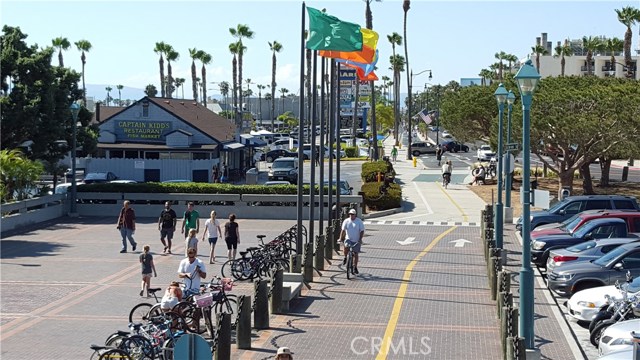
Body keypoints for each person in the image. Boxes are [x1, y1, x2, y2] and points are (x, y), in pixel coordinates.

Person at [339, 209, 365, 275]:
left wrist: (360, 239)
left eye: (352, 214)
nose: (351, 215)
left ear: (355, 215)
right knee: (346, 247)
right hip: (348, 239)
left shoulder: (359, 221)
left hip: (356, 240)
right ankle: (345, 257)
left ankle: (355, 267)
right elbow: (343, 230)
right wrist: (340, 238)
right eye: (350, 214)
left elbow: (362, 231)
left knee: (356, 254)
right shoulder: (346, 221)